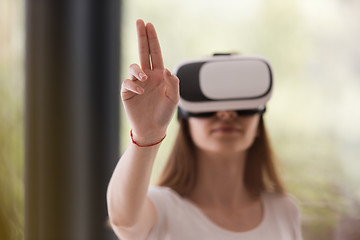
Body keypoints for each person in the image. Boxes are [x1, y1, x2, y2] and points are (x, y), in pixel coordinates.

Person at [107, 19, 302, 240]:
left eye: (240, 102)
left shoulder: (284, 211)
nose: (226, 113)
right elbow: (123, 220)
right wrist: (146, 134)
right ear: (186, 123)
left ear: (259, 124)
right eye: (210, 103)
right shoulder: (162, 209)